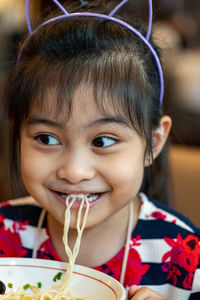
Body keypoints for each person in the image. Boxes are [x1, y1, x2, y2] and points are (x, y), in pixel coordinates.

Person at [1, 1, 200, 299]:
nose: (74, 171)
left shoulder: (183, 255)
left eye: (102, 141)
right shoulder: (6, 232)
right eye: (46, 139)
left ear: (153, 144)